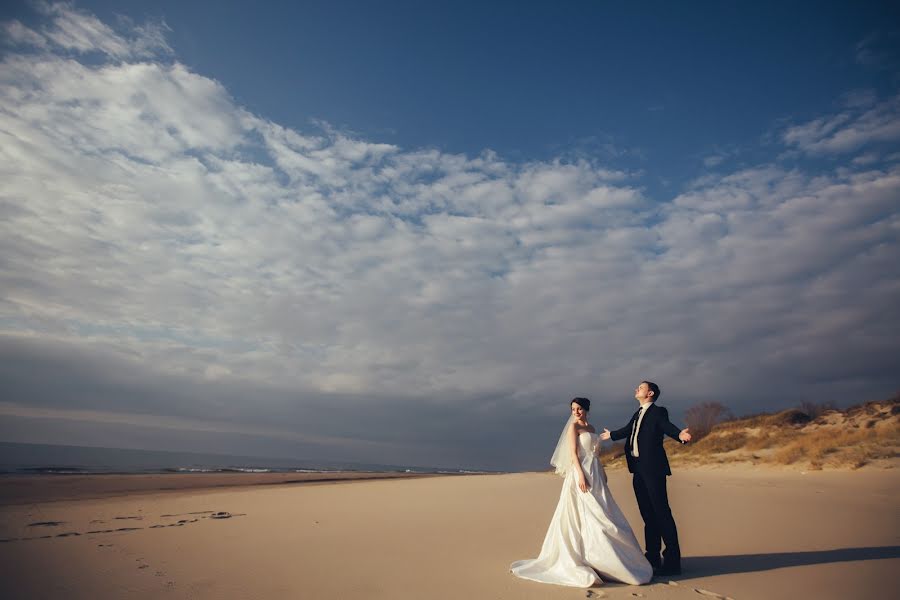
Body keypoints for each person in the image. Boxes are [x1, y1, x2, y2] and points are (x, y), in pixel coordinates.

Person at [510, 397, 653, 588]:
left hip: (596, 473)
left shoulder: (592, 428)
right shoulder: (574, 428)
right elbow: (574, 454)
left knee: (604, 512)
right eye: (573, 409)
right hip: (581, 473)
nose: (576, 412)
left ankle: (603, 559)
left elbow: (595, 453)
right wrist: (580, 476)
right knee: (585, 513)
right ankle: (588, 557)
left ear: (586, 409)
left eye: (578, 408)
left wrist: (601, 472)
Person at [600, 381, 691, 576]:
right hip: (638, 470)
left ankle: (672, 561)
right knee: (648, 514)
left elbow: (667, 426)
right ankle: (652, 556)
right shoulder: (638, 413)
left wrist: (679, 435)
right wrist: (612, 435)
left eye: (640, 388)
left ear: (649, 393)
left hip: (653, 469)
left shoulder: (658, 412)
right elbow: (628, 430)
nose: (636, 389)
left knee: (661, 512)